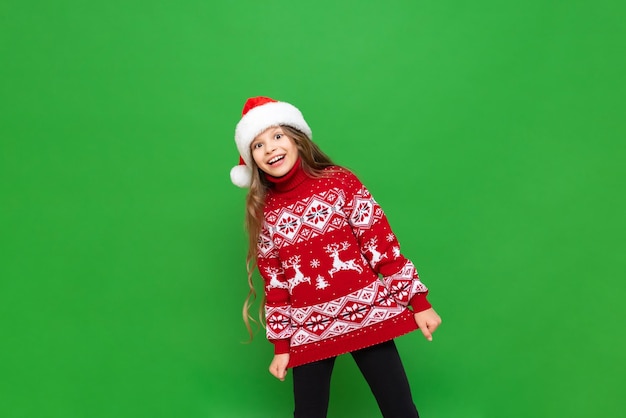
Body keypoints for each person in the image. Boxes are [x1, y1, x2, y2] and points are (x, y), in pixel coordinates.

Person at [231, 96, 442, 418]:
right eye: (257, 145)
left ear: (296, 138)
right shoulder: (267, 214)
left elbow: (382, 246)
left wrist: (419, 302)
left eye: (277, 136)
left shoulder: (341, 183)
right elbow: (276, 286)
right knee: (308, 413)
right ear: (252, 159)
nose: (270, 148)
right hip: (309, 326)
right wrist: (281, 348)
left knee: (399, 407)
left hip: (366, 312)